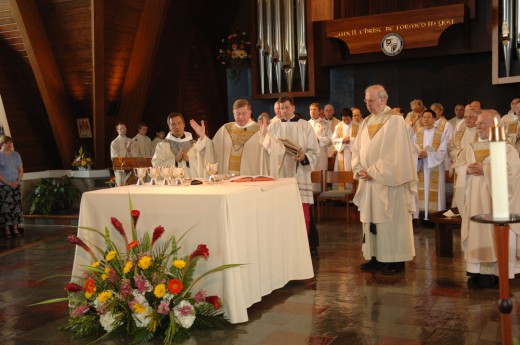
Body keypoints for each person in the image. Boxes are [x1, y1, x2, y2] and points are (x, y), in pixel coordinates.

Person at [352, 84, 417, 275]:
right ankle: (375, 257)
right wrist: (359, 169)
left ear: (383, 100)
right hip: (369, 181)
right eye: (366, 101)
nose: (368, 105)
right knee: (372, 221)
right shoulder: (366, 122)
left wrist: (374, 171)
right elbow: (356, 150)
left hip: (388, 182)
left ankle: (394, 260)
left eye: (371, 101)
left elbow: (395, 155)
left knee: (390, 220)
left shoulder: (394, 121)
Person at [455, 109, 520, 288]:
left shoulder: (507, 148)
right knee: (476, 232)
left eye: (482, 123)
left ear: (495, 125)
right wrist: (465, 170)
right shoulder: (471, 147)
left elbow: (512, 176)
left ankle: (496, 272)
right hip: (474, 201)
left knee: (493, 233)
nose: (478, 126)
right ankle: (476, 271)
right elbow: (458, 166)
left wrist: (485, 170)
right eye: (478, 123)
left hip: (495, 203)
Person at [261, 96, 320, 252]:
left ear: (293, 107)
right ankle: (285, 247)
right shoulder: (273, 127)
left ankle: (303, 248)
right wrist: (267, 140)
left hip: (299, 172)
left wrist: (304, 157)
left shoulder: (305, 126)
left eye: (286, 108)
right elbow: (266, 151)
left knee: (302, 213)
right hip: (281, 175)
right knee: (282, 213)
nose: (283, 111)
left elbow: (314, 151)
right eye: (281, 108)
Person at [190, 99, 266, 176]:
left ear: (250, 112)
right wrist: (203, 136)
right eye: (237, 114)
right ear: (233, 113)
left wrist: (265, 138)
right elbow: (213, 149)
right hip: (228, 181)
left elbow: (271, 153)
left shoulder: (259, 130)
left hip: (250, 180)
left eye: (244, 113)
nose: (240, 117)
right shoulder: (225, 129)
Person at [412, 109, 449, 226]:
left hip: (435, 168)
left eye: (429, 117)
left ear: (434, 119)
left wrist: (429, 154)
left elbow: (443, 152)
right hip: (421, 167)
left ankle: (434, 219)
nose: (426, 119)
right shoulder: (418, 133)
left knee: (434, 194)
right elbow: (412, 149)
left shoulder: (440, 134)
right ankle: (422, 219)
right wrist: (418, 155)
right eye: (424, 117)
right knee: (421, 193)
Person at [152, 112, 206, 178]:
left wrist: (188, 159)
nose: (177, 126)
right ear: (169, 127)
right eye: (173, 124)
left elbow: (204, 164)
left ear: (184, 124)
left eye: (179, 123)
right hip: (171, 186)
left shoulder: (195, 144)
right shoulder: (161, 146)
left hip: (192, 185)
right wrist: (175, 160)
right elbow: (156, 167)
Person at [449, 108, 479, 209]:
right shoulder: (459, 133)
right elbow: (450, 149)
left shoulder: (480, 133)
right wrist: (459, 153)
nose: (467, 119)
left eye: (470, 117)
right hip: (461, 169)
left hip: (474, 169)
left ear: (476, 118)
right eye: (465, 117)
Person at [0, 136, 23, 238]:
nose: (9, 145)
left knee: (16, 208)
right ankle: (7, 230)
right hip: (4, 186)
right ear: (2, 144)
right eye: (7, 143)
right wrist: (7, 183)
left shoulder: (16, 154)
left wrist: (18, 181)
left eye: (10, 142)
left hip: (16, 185)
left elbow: (20, 170)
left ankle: (15, 229)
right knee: (6, 208)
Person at [308, 102, 330, 171]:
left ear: (319, 111)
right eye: (311, 109)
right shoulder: (306, 124)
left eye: (315, 109)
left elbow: (329, 138)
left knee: (321, 174)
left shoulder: (325, 123)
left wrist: (319, 140)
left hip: (321, 153)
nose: (312, 111)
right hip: (309, 153)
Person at [331, 108, 353, 176]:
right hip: (341, 153)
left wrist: (351, 140)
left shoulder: (357, 126)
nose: (346, 121)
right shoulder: (338, 126)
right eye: (344, 119)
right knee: (341, 174)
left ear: (351, 117)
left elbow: (361, 139)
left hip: (353, 153)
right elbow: (333, 140)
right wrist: (342, 140)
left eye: (348, 119)